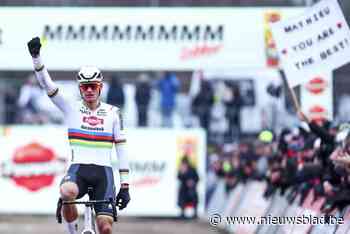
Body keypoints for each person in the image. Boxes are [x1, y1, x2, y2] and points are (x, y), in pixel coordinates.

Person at [27, 37, 130, 234]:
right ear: (79, 88)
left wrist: (125, 186)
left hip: (103, 175)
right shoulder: (70, 108)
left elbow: (121, 149)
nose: (89, 90)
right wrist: (36, 58)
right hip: (78, 171)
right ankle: (72, 232)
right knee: (67, 192)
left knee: (105, 228)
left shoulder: (114, 113)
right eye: (85, 87)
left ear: (100, 86)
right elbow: (46, 85)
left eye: (93, 86)